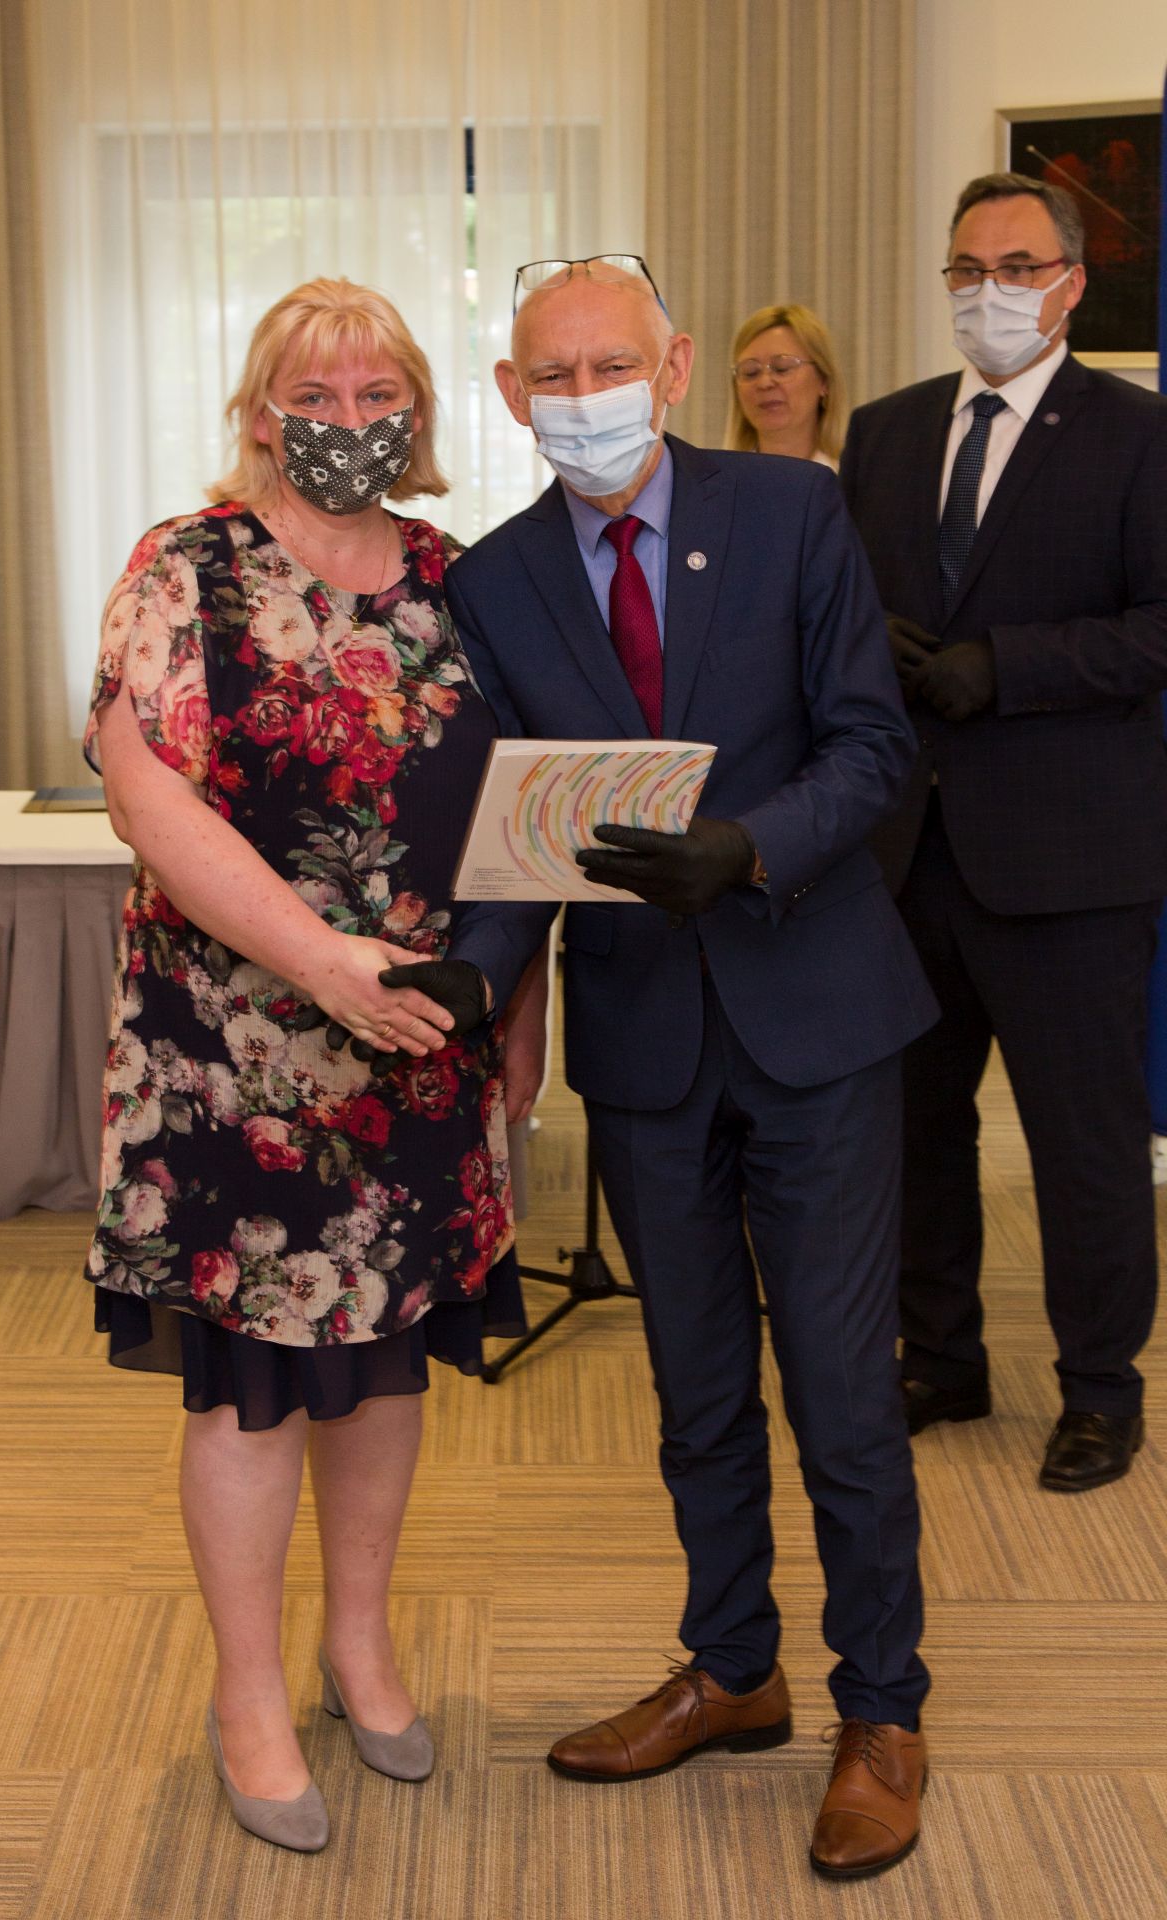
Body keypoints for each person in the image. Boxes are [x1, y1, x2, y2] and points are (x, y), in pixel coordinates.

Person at [445, 254, 940, 1880]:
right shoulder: (497, 581)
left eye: (613, 364)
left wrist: (751, 846)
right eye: (552, 374)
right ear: (514, 396)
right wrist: (470, 979)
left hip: (817, 1018)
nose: (584, 396)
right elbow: (517, 826)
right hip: (647, 1040)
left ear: (668, 371)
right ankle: (734, 1670)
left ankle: (883, 1709)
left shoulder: (792, 512)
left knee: (845, 1394)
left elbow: (873, 742)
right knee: (695, 1390)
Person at [86, 277, 530, 1851]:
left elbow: (515, 812)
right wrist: (325, 962)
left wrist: (515, 1016)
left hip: (418, 1052)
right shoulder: (188, 567)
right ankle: (248, 1693)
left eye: (377, 395)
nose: (349, 422)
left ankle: (359, 1642)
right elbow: (147, 798)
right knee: (255, 1394)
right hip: (236, 1058)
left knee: (387, 1362)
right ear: (263, 412)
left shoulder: (464, 582)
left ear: (419, 409)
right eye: (316, 396)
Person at [839, 173, 1167, 1492]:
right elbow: (836, 608)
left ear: (1072, 283)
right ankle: (940, 1357)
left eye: (1018, 268)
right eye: (967, 270)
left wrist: (1007, 665)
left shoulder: (1139, 434)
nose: (990, 293)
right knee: (916, 1134)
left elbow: (1160, 627)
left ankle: (1099, 1388)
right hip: (903, 856)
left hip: (1070, 860)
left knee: (1083, 1145)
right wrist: (865, 641)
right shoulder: (884, 432)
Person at [724, 301, 845, 467]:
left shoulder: (850, 479)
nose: (764, 383)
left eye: (782, 368)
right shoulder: (717, 480)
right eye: (750, 372)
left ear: (824, 380)